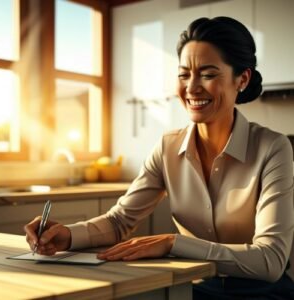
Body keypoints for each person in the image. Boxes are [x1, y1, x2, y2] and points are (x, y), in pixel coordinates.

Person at [25, 16, 294, 299]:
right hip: (193, 288)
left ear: (242, 78)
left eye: (208, 74)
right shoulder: (168, 147)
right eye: (183, 74)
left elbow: (271, 260)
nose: (192, 87)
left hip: (265, 293)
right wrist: (67, 235)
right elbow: (120, 221)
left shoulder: (273, 148)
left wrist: (173, 243)